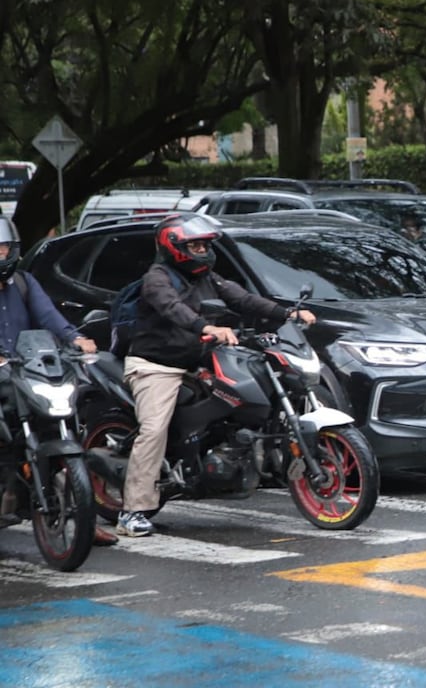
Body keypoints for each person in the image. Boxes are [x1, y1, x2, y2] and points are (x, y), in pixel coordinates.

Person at [117, 214, 315, 537]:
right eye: (194, 246)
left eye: (204, 246)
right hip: (156, 366)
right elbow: (172, 308)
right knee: (154, 429)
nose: (202, 251)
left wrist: (287, 313)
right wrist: (206, 327)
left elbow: (243, 299)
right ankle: (132, 511)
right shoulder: (156, 279)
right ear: (174, 247)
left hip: (198, 360)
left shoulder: (209, 278)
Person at [0, 218, 117, 546]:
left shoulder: (24, 283)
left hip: (26, 370)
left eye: (3, 248)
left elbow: (49, 316)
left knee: (65, 424)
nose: (0, 254)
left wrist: (74, 338)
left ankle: (84, 519)